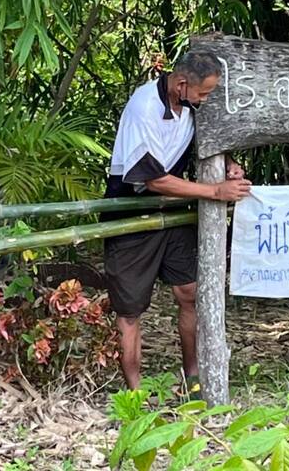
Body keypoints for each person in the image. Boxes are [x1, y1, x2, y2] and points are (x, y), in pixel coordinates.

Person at [102, 50, 251, 391]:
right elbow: (152, 179)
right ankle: (135, 393)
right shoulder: (144, 108)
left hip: (175, 208)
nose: (207, 98)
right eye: (204, 92)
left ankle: (194, 376)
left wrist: (229, 162)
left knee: (189, 292)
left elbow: (207, 140)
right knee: (129, 308)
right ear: (182, 84)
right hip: (132, 208)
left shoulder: (191, 106)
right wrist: (215, 192)